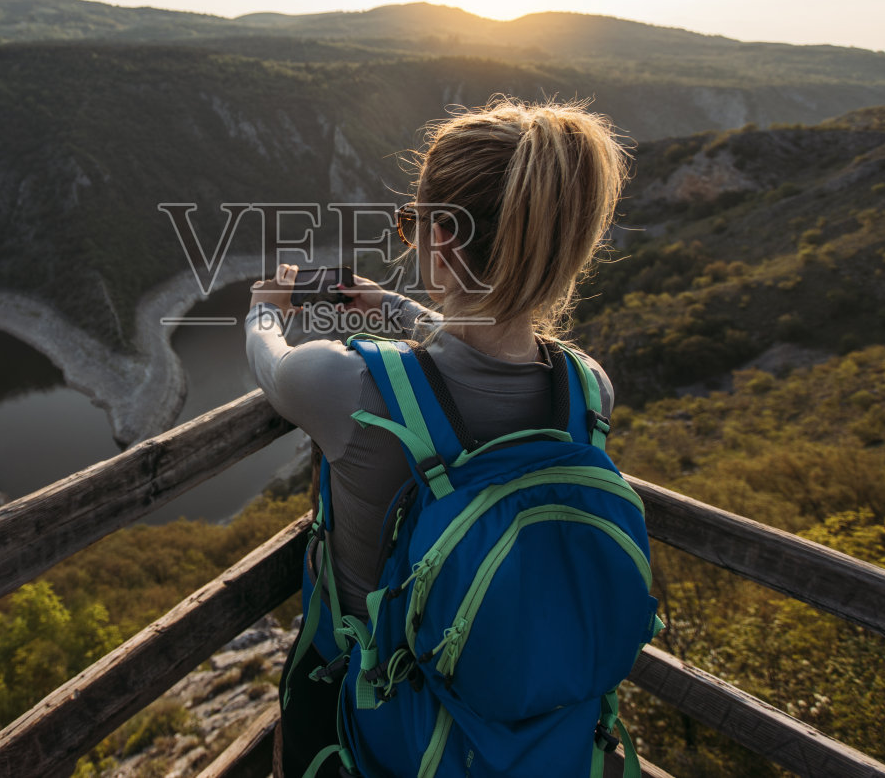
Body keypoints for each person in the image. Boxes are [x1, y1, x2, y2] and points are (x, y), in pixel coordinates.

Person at [244, 95, 629, 778]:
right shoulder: (587, 390)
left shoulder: (342, 384)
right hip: (534, 727)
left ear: (443, 241)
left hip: (379, 721)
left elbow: (270, 357)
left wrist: (263, 305)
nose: (407, 237)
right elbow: (482, 348)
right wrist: (393, 306)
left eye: (410, 224)